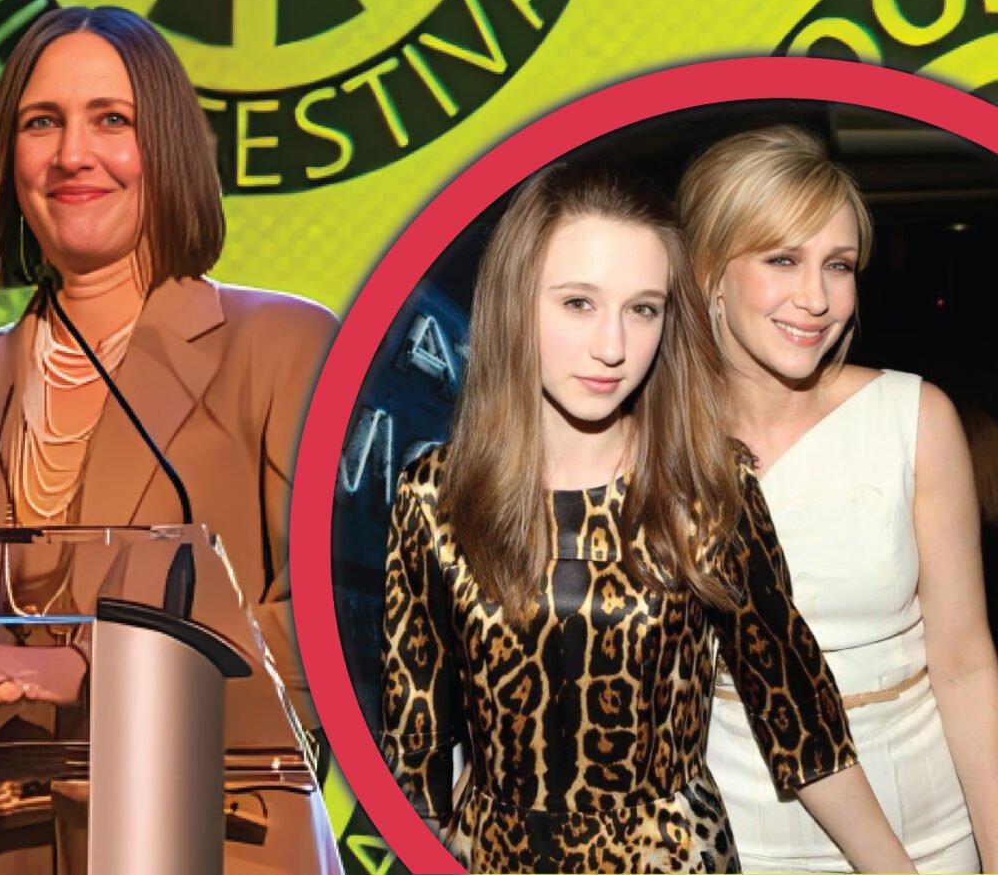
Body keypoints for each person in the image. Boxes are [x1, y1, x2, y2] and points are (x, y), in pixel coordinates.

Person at [0, 6, 341, 874]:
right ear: (7, 159)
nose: (72, 154)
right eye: (41, 123)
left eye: (112, 120)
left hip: (206, 847)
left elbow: (335, 640)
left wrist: (96, 671)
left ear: (167, 146)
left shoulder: (283, 348)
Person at [379, 161, 914, 873]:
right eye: (578, 303)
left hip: (674, 859)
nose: (613, 347)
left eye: (643, 309)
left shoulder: (708, 489)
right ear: (515, 302)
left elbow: (800, 720)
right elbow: (414, 750)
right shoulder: (433, 498)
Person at [680, 125, 998, 872]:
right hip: (736, 837)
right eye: (782, 259)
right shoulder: (655, 444)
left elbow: (963, 661)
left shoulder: (914, 418)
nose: (817, 297)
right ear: (708, 273)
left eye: (840, 264)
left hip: (930, 823)